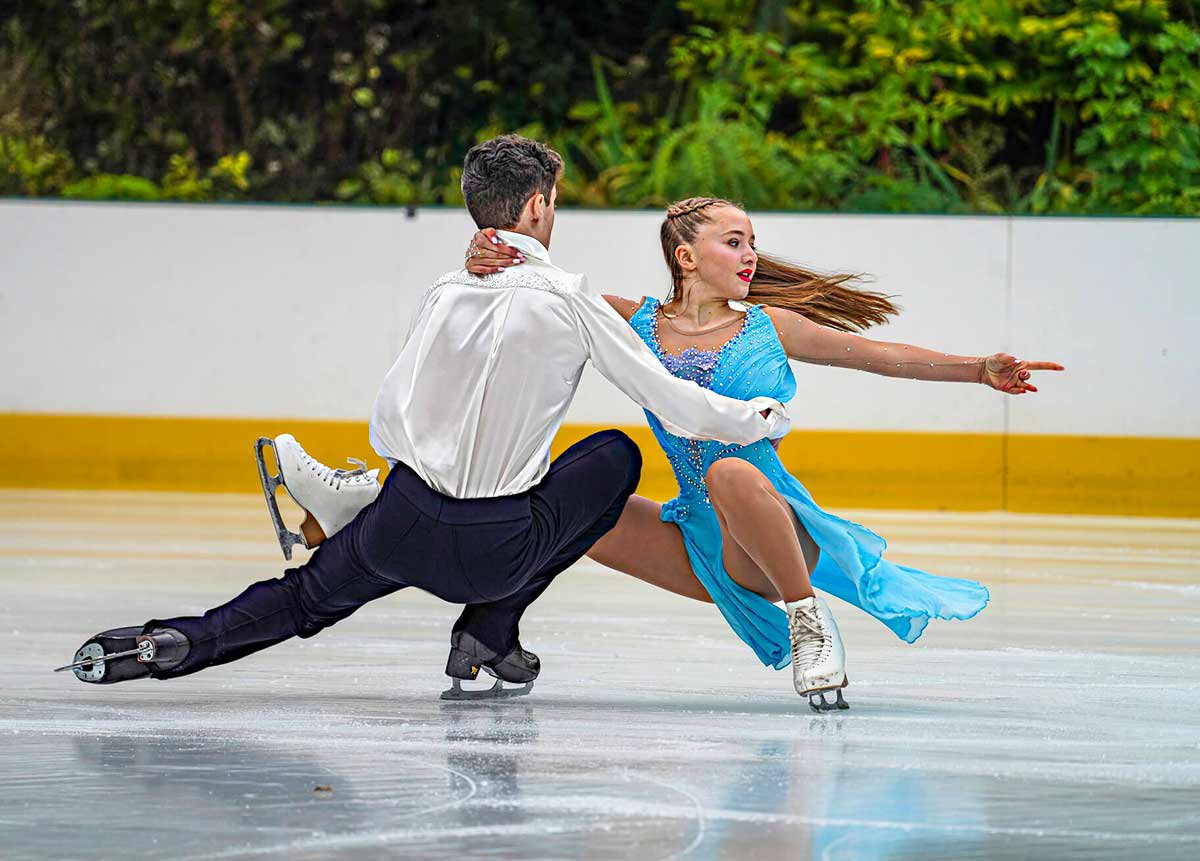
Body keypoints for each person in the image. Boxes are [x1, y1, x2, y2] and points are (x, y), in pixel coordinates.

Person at [56, 137, 791, 702]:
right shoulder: (571, 298)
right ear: (537, 207)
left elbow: (393, 410)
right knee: (612, 459)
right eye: (555, 202)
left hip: (401, 523)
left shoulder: (444, 289)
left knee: (303, 600)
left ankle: (167, 642)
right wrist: (756, 418)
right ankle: (487, 626)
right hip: (499, 545)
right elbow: (673, 400)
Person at [260, 196, 1062, 711]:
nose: (750, 254)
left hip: (772, 533)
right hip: (694, 543)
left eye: (752, 241)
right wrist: (480, 256)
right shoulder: (632, 320)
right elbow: (534, 290)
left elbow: (878, 355)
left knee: (727, 467)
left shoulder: (769, 326)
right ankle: (357, 523)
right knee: (553, 498)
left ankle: (811, 624)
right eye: (734, 240)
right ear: (687, 256)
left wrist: (977, 369)